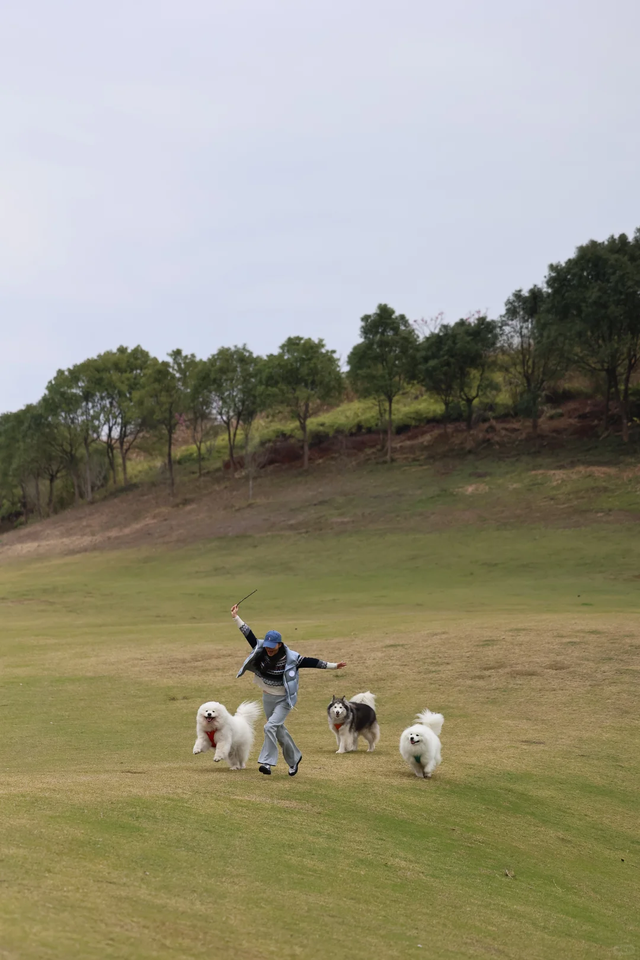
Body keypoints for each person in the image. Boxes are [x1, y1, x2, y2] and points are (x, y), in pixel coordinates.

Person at [230, 604, 347, 776]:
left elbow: (311, 662)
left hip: (284, 700)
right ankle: (294, 759)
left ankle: (267, 763)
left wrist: (334, 666)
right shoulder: (261, 650)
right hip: (267, 698)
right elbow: (248, 634)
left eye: (272, 646)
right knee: (278, 730)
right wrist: (236, 617)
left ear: (279, 644)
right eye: (267, 645)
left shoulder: (291, 658)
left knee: (269, 727)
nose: (269, 649)